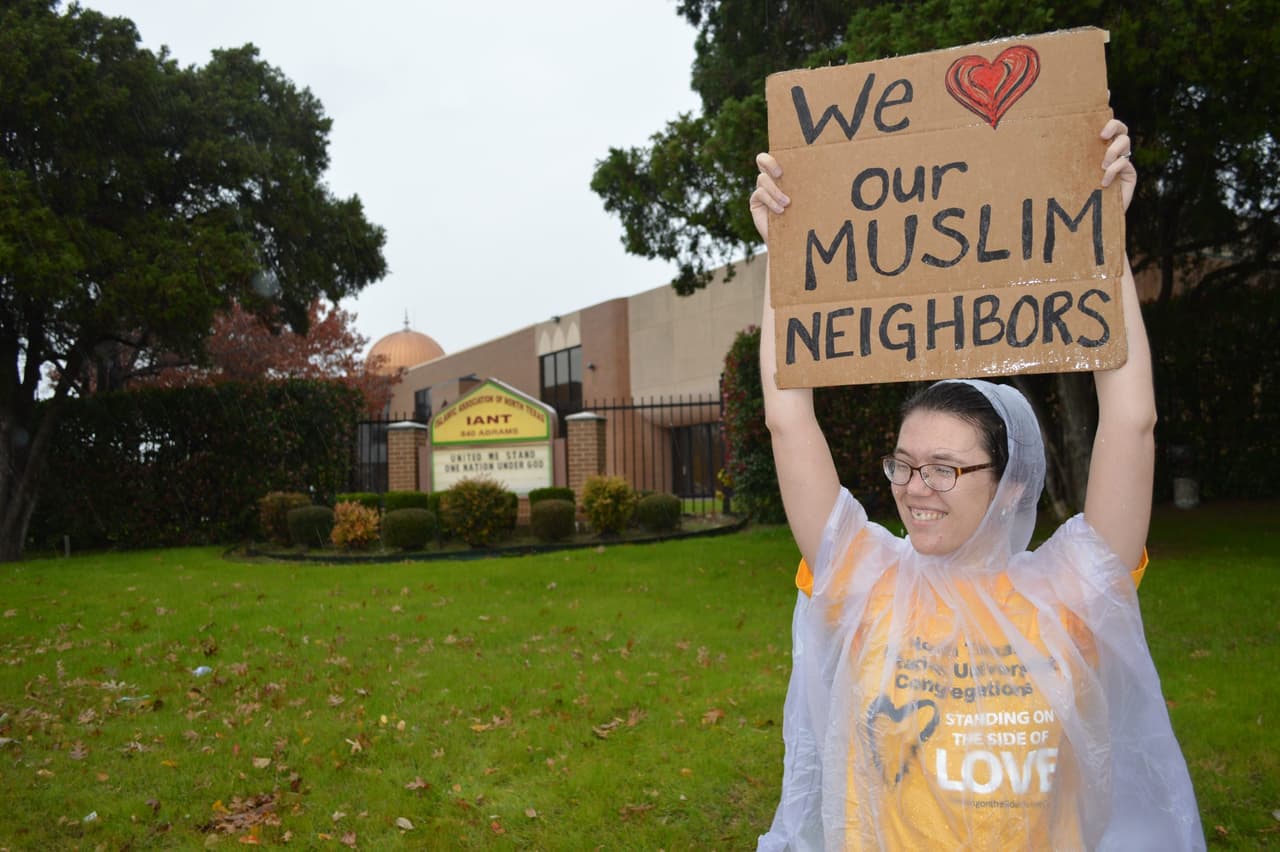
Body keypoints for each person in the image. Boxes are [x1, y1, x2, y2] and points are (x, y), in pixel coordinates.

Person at [750, 120, 1205, 850]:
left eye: (945, 469)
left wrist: (1105, 237)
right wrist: (784, 253)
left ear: (1013, 484)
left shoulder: (1068, 594)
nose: (913, 489)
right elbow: (787, 420)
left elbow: (1132, 420)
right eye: (903, 464)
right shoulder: (865, 579)